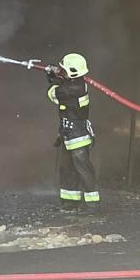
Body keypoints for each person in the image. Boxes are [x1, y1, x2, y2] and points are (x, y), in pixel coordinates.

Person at [46, 52, 99, 208]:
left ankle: (92, 204)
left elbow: (53, 93)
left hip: (78, 136)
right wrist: (56, 74)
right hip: (68, 134)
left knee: (83, 169)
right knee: (67, 169)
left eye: (63, 69)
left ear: (72, 72)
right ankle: (70, 201)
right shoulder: (75, 83)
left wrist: (50, 76)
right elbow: (63, 84)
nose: (60, 70)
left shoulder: (74, 89)